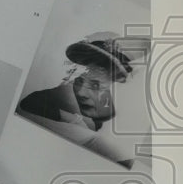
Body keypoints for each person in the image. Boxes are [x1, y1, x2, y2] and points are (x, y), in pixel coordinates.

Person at [17, 32, 149, 168]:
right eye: (98, 67)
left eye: (109, 74)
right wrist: (73, 119)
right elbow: (30, 102)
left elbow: (99, 123)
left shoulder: (105, 103)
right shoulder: (66, 90)